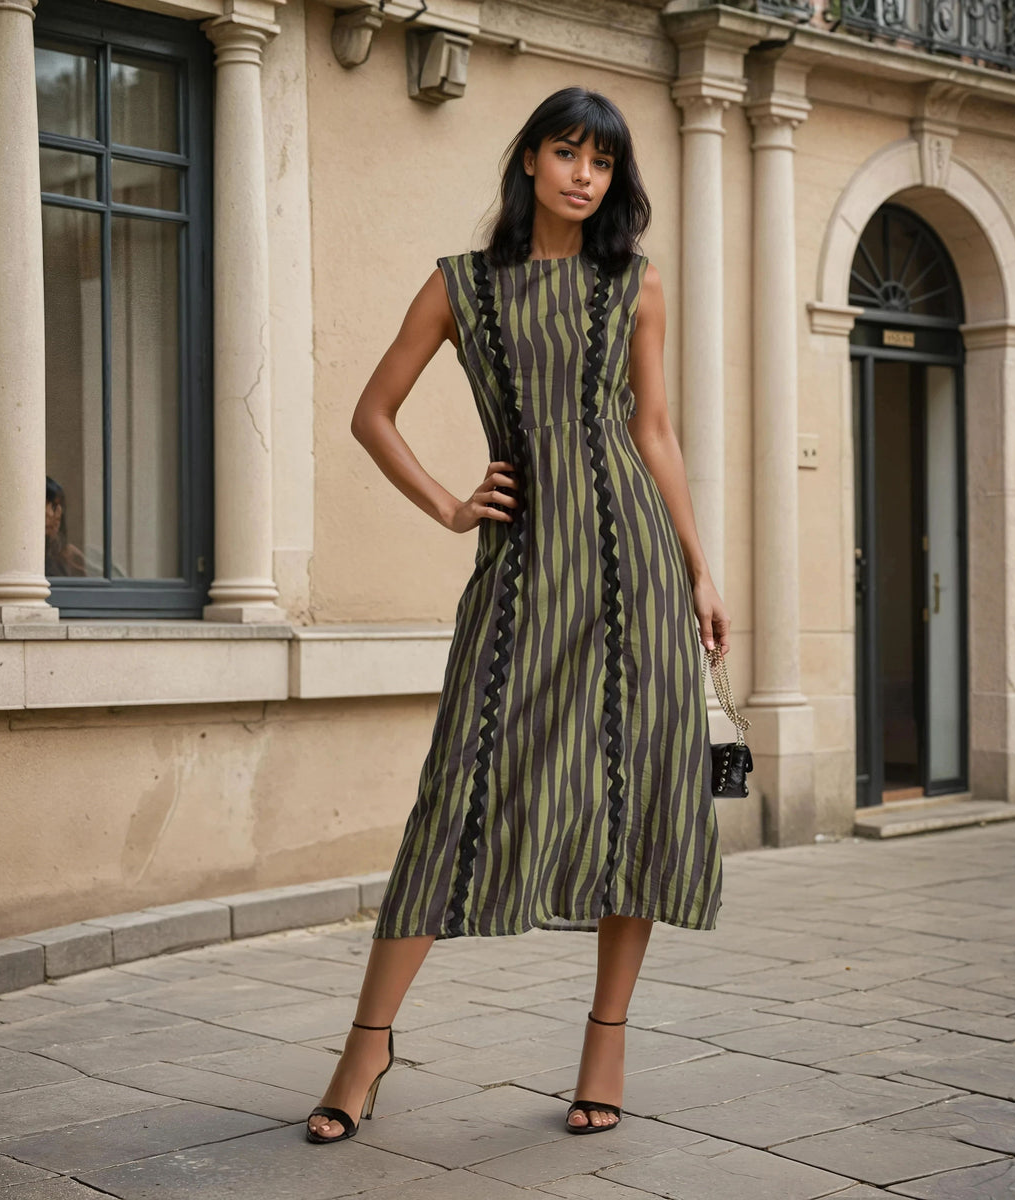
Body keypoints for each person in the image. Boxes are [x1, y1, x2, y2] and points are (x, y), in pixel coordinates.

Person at [307, 85, 732, 1145]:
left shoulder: (635, 287)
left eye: (601, 161)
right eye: (565, 153)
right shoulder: (462, 287)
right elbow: (371, 412)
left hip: (633, 568)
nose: (583, 175)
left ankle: (605, 1042)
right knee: (456, 792)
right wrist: (452, 503)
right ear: (531, 161)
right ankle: (366, 1048)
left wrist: (700, 570)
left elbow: (656, 434)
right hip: (520, 573)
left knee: (637, 800)